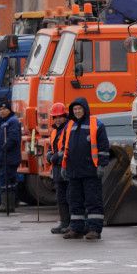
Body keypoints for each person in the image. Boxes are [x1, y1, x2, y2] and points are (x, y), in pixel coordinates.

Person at [62, 97, 110, 240]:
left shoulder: (97, 124)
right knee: (75, 201)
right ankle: (76, 229)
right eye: (74, 109)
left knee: (93, 200)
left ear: (85, 109)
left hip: (91, 171)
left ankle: (95, 229)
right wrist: (64, 166)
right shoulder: (69, 126)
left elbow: (103, 148)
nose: (77, 112)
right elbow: (65, 149)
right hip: (74, 171)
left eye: (79, 109)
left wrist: (102, 165)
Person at [0, 100, 22, 213]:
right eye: (0, 110)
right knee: (7, 180)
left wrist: (4, 147)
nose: (2, 112)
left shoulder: (12, 121)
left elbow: (13, 138)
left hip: (9, 156)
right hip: (3, 156)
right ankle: (8, 205)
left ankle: (6, 205)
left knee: (5, 179)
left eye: (4, 109)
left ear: (9, 110)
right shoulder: (2, 122)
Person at [45, 102, 71, 234]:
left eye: (60, 116)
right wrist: (49, 156)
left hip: (66, 169)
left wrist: (54, 157)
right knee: (61, 198)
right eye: (55, 117)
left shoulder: (69, 129)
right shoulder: (55, 131)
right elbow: (51, 148)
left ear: (65, 116)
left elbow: (66, 149)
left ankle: (71, 224)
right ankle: (64, 223)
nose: (58, 119)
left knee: (69, 197)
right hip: (57, 171)